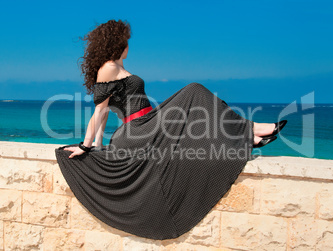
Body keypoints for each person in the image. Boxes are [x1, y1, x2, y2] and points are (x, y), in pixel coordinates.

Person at [55, 19, 287, 240]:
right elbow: (101, 111)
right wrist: (88, 146)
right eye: (126, 40)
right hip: (137, 130)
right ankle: (252, 129)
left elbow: (105, 111)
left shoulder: (118, 66)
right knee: (194, 92)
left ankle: (250, 137)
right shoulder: (108, 68)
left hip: (148, 123)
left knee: (201, 115)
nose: (128, 45)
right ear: (117, 42)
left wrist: (98, 146)